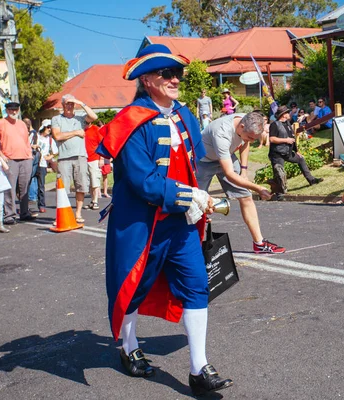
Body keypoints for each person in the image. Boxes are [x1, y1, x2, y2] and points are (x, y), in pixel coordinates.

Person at [95, 43, 232, 396]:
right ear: (146, 80)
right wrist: (189, 196)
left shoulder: (184, 114)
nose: (174, 79)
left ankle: (199, 368)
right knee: (134, 288)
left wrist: (197, 198)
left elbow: (193, 164)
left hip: (181, 222)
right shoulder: (130, 120)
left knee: (196, 284)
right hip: (142, 224)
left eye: (177, 73)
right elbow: (142, 180)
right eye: (166, 74)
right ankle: (128, 347)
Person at [197, 110, 286, 254]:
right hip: (203, 161)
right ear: (241, 126)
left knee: (246, 196)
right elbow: (229, 174)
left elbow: (245, 143)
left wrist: (244, 170)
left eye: (254, 138)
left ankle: (259, 243)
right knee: (197, 203)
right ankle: (195, 246)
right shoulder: (222, 133)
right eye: (250, 137)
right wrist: (257, 188)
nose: (251, 140)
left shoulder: (247, 121)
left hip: (227, 156)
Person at [51, 94, 98, 223]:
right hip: (64, 157)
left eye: (71, 104)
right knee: (62, 188)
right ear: (63, 105)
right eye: (67, 103)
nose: (69, 106)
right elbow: (57, 136)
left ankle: (77, 213)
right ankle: (61, 215)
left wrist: (80, 102)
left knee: (81, 186)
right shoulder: (56, 119)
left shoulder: (80, 119)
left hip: (80, 156)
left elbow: (94, 116)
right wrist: (76, 132)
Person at [0, 102, 35, 224]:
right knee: (9, 188)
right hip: (10, 159)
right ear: (7, 110)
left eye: (16, 110)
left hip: (26, 158)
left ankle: (24, 212)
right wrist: (0, 152)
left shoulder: (22, 124)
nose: (14, 112)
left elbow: (26, 141)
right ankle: (9, 215)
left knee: (25, 187)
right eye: (11, 110)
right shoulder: (1, 123)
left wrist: (30, 155)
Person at [268, 105, 323, 198]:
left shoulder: (288, 124)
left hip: (288, 152)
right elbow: (272, 139)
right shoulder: (275, 124)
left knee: (301, 159)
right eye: (288, 113)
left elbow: (292, 138)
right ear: (283, 115)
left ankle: (311, 180)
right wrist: (285, 140)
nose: (290, 114)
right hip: (277, 153)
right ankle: (279, 193)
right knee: (279, 173)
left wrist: (296, 151)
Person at [34, 120, 58, 213]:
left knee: (41, 185)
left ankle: (41, 205)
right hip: (33, 162)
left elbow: (56, 151)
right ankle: (26, 205)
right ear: (43, 127)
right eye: (48, 127)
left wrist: (50, 157)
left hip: (43, 164)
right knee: (28, 184)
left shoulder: (50, 139)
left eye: (50, 128)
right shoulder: (36, 136)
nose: (49, 129)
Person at [84, 120, 104, 211]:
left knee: (95, 180)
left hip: (94, 158)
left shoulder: (95, 129)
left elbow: (102, 144)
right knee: (89, 182)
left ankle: (95, 201)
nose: (84, 124)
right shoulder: (81, 131)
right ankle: (92, 200)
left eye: (86, 122)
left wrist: (101, 158)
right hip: (83, 159)